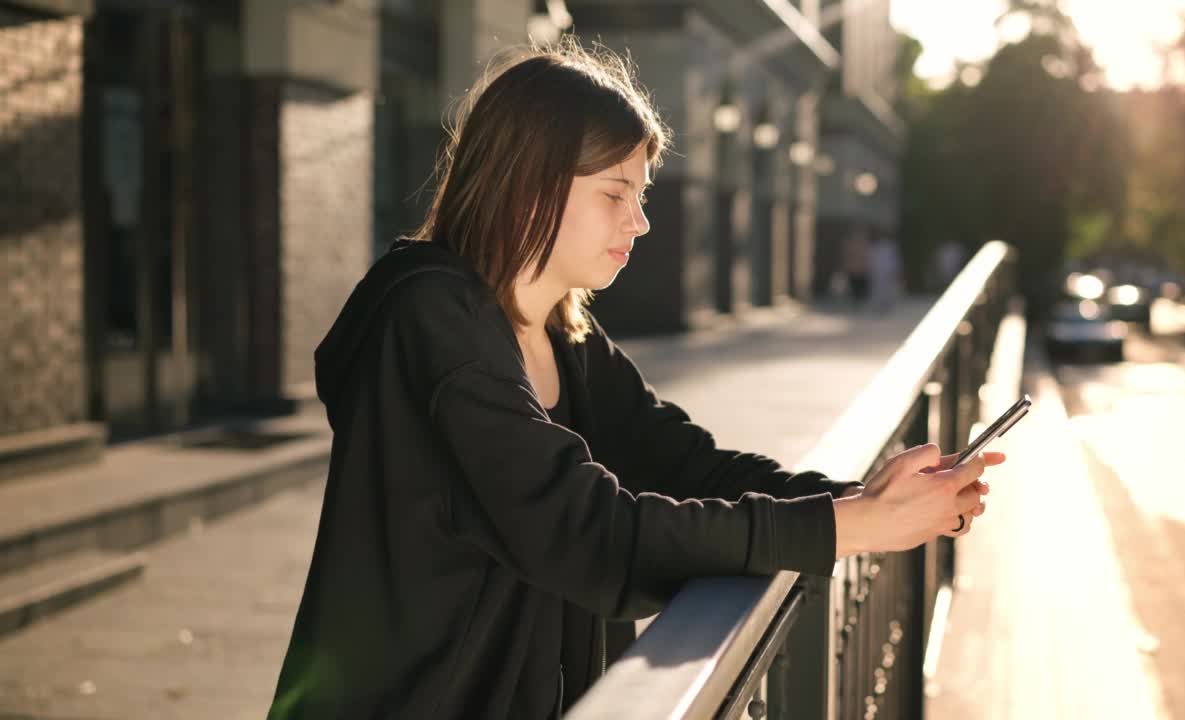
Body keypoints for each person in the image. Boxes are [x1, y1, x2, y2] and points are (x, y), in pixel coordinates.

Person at [267, 39, 1001, 720]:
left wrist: (866, 499)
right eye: (616, 194)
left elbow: (685, 464)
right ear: (529, 185)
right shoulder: (429, 320)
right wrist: (853, 527)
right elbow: (588, 533)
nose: (641, 222)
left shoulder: (562, 328)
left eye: (643, 195)